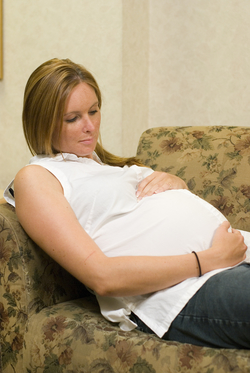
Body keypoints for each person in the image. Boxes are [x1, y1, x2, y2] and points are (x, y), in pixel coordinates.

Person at [4, 58, 250, 349]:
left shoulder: (107, 167)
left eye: (94, 111)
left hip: (232, 257)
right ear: (42, 121)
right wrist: (208, 259)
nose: (89, 127)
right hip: (182, 290)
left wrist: (176, 184)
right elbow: (102, 276)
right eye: (73, 118)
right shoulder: (37, 177)